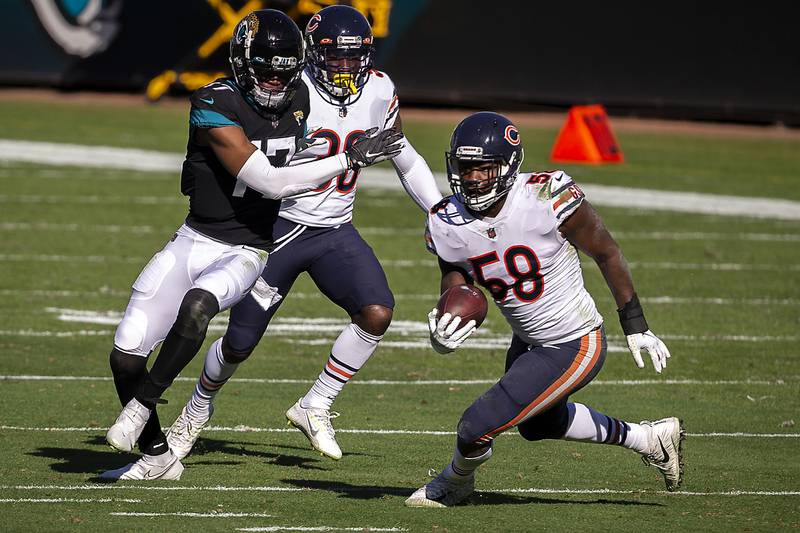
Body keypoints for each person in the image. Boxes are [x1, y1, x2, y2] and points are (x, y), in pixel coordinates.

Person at [100, 9, 403, 481]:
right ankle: (158, 456)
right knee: (125, 354)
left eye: (284, 73)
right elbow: (268, 180)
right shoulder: (213, 100)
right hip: (195, 238)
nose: (276, 84)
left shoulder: (301, 95)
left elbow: (309, 146)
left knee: (200, 306)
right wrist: (349, 157)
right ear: (243, 64)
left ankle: (144, 405)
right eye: (265, 72)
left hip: (247, 249)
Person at [165, 5, 443, 462]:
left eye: (355, 58)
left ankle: (317, 403)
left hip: (335, 228)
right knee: (239, 343)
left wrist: (435, 211)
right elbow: (259, 164)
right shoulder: (289, 90)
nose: (346, 68)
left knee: (376, 312)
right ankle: (196, 409)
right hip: (277, 227)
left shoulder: (379, 89)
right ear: (313, 54)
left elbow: (403, 152)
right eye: (336, 58)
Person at [404, 111, 683, 507]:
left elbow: (607, 252)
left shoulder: (546, 197)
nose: (472, 178)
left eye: (484, 169)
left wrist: (635, 323)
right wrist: (449, 313)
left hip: (573, 341)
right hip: (528, 340)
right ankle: (649, 438)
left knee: (475, 426)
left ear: (508, 165)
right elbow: (455, 274)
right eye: (465, 168)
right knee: (538, 425)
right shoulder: (447, 220)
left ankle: (453, 483)